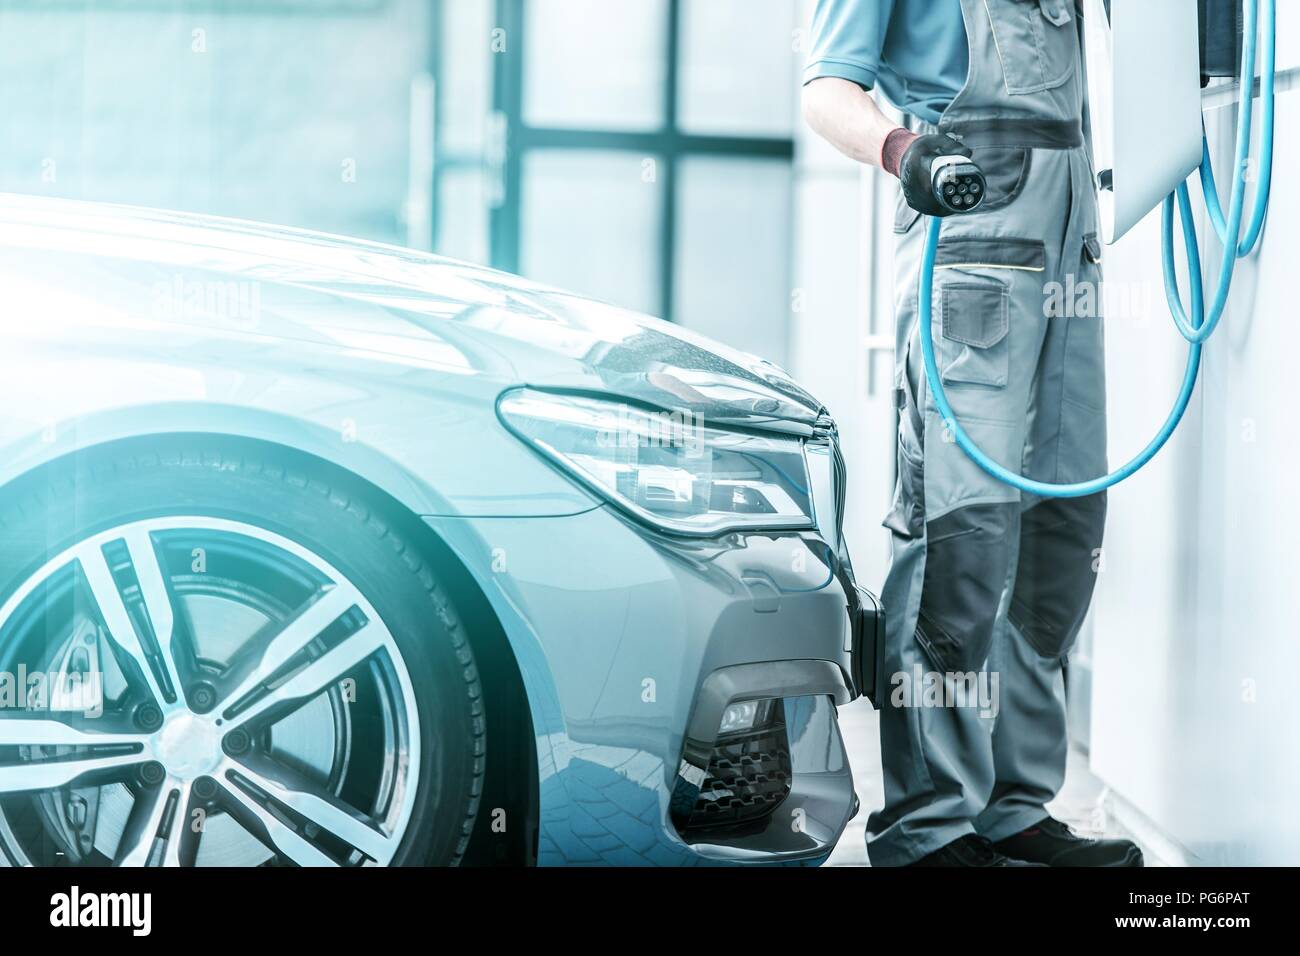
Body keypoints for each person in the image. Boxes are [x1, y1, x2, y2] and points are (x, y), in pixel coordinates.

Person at [802, 0, 1142, 867]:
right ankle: (929, 827)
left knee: (1064, 531)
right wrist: (902, 150)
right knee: (965, 530)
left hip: (1072, 249)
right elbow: (827, 88)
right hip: (970, 253)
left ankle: (1016, 807)